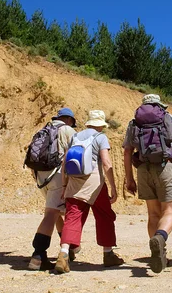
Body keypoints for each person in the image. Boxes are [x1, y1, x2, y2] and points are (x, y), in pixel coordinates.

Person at [123, 94, 172, 273]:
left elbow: (127, 152)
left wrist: (129, 178)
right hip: (164, 165)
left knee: (153, 213)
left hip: (143, 169)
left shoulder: (134, 123)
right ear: (159, 105)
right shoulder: (167, 117)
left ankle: (158, 254)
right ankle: (160, 238)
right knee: (169, 210)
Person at [55, 110, 123, 273]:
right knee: (104, 216)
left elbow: (65, 163)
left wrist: (64, 186)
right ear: (101, 125)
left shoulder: (75, 137)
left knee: (72, 216)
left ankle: (63, 254)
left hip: (74, 183)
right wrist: (113, 186)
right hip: (95, 184)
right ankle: (108, 254)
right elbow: (106, 163)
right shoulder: (101, 137)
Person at [28, 108, 77, 270]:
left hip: (41, 176)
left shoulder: (44, 129)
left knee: (54, 212)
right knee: (51, 213)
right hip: (57, 175)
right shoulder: (67, 130)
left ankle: (69, 249)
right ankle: (38, 254)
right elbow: (76, 154)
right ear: (69, 120)